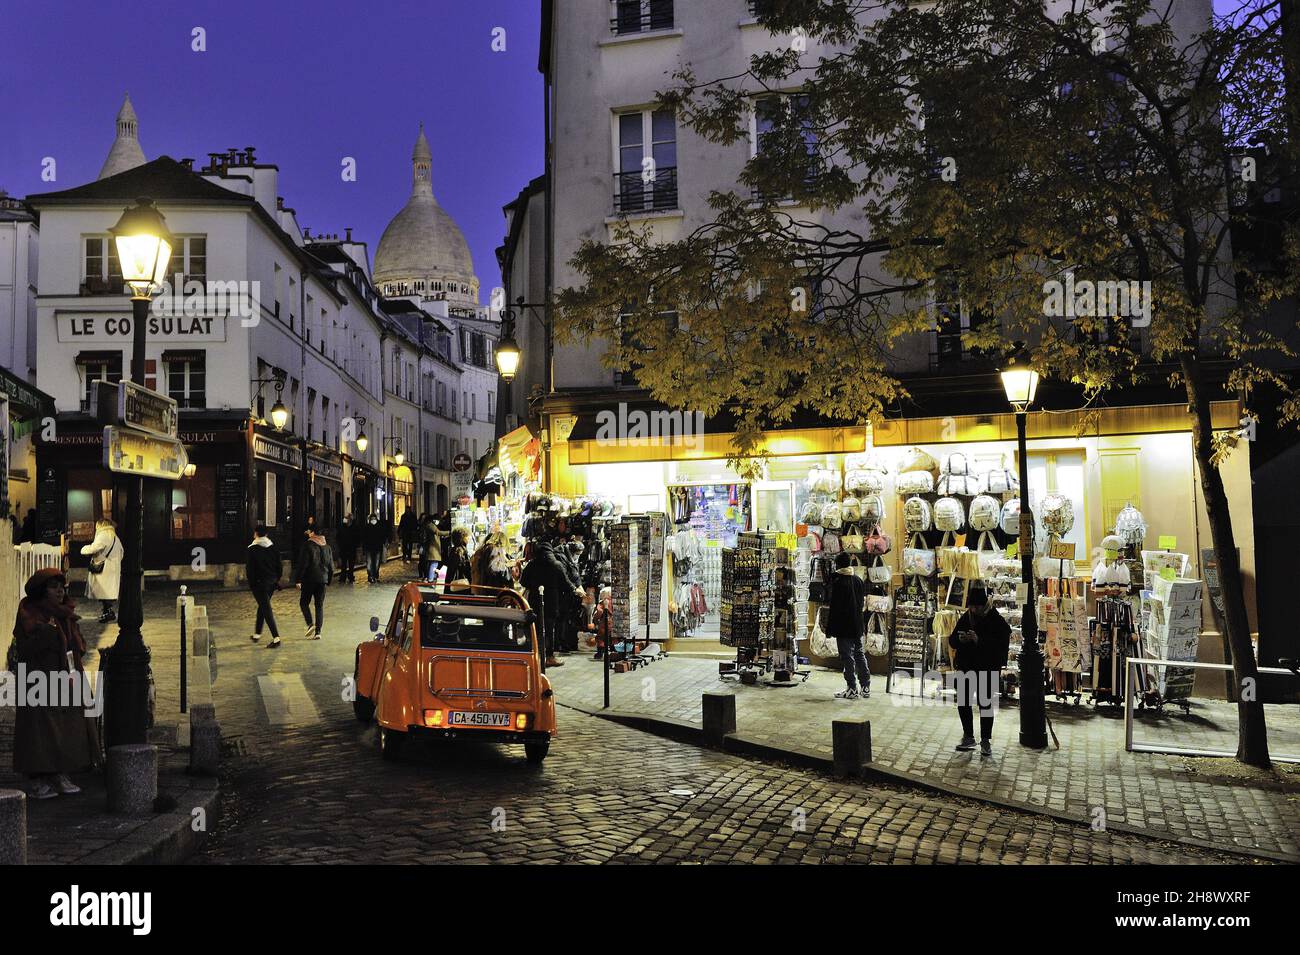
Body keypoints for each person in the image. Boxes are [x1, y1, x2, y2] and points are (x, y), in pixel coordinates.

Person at [9, 568, 101, 799]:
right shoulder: (29, 611)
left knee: (67, 724)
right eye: (53, 586)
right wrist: (47, 634)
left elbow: (77, 645)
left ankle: (59, 772)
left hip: (66, 677)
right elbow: (26, 647)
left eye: (62, 586)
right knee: (39, 728)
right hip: (38, 679)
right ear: (42, 590)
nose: (60, 591)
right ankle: (37, 776)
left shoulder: (66, 613)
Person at [948, 586, 1011, 757]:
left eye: (976, 607)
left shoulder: (995, 619)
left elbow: (1002, 644)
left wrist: (979, 640)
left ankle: (985, 740)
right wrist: (960, 640)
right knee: (963, 702)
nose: (973, 610)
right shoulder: (967, 617)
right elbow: (952, 640)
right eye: (971, 607)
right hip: (966, 666)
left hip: (987, 667)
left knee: (985, 704)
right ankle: (968, 736)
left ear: (983, 606)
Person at [520, 538, 584, 669]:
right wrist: (575, 590)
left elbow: (523, 581)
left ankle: (536, 656)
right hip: (552, 601)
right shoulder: (556, 565)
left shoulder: (532, 564)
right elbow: (566, 583)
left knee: (536, 628)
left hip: (534, 600)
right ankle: (549, 656)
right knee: (549, 629)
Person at [828, 552, 871, 699]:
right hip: (857, 624)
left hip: (844, 626)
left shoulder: (838, 582)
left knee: (847, 656)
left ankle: (852, 688)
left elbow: (835, 608)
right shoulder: (858, 580)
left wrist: (830, 629)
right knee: (859, 654)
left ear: (838, 565)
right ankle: (865, 687)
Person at [79, 518, 123, 623]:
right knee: (107, 593)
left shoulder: (104, 535)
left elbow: (94, 548)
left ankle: (107, 613)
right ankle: (107, 612)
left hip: (104, 570)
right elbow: (121, 552)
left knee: (104, 592)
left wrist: (84, 549)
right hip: (112, 569)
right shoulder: (115, 537)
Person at [246, 525, 283, 648]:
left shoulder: (252, 549)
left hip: (259, 583)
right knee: (263, 606)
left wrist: (251, 583)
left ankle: (276, 638)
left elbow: (250, 569)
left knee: (266, 609)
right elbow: (279, 565)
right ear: (266, 535)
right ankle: (257, 634)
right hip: (271, 582)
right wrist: (277, 578)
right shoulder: (272, 547)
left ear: (256, 534)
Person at [292, 528, 333, 639]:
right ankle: (318, 632)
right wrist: (328, 580)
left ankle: (310, 624)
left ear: (313, 533)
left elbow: (303, 564)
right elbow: (331, 566)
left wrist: (298, 580)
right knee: (319, 605)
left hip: (309, 579)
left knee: (304, 603)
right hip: (322, 581)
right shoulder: (327, 547)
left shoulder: (308, 546)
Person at [418, 513, 445, 582]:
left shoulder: (429, 525)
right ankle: (430, 579)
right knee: (433, 564)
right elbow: (438, 532)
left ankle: (429, 578)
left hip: (431, 548)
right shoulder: (431, 526)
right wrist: (450, 532)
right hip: (432, 548)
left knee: (431, 563)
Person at [362, 514, 386, 583]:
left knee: (376, 563)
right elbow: (364, 538)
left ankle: (375, 575)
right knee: (369, 563)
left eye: (374, 518)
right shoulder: (367, 527)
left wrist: (383, 543)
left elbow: (383, 536)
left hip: (377, 548)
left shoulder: (379, 527)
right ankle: (370, 576)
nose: (373, 520)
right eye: (371, 519)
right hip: (369, 548)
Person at [336, 512, 358, 584]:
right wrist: (340, 544)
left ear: (350, 519)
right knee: (343, 564)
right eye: (344, 518)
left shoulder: (354, 527)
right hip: (343, 548)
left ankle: (351, 576)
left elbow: (357, 538)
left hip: (351, 548)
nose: (344, 519)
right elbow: (338, 536)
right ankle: (343, 577)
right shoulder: (342, 527)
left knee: (351, 564)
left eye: (346, 518)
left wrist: (355, 545)